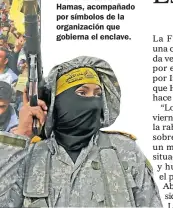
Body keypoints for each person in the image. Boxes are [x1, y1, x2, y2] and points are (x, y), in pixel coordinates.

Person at [0, 55, 162, 207]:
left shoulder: (124, 150)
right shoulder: (30, 155)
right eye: (82, 93)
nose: (92, 102)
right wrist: (21, 134)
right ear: (60, 100)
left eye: (97, 94)